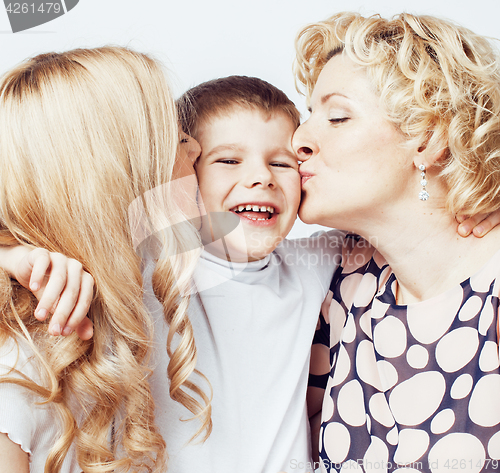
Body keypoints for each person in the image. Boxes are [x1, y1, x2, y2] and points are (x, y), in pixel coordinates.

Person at [292, 12, 500, 472]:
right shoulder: (341, 278)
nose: (299, 140)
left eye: (337, 116)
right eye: (308, 115)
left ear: (428, 139)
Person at [0, 46, 210, 472]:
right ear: (119, 167)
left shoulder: (141, 291)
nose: (197, 148)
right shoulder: (18, 371)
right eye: (175, 133)